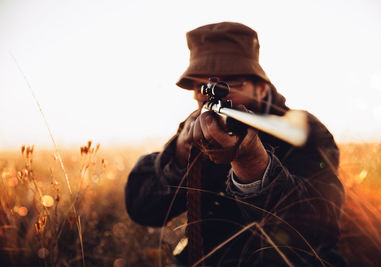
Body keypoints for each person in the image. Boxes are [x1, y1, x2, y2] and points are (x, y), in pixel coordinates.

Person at [125, 22, 346, 266]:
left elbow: (320, 228)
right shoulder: (193, 129)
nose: (220, 95)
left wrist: (253, 166)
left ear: (261, 88)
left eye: (233, 84)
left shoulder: (301, 129)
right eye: (203, 86)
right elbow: (142, 208)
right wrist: (179, 155)